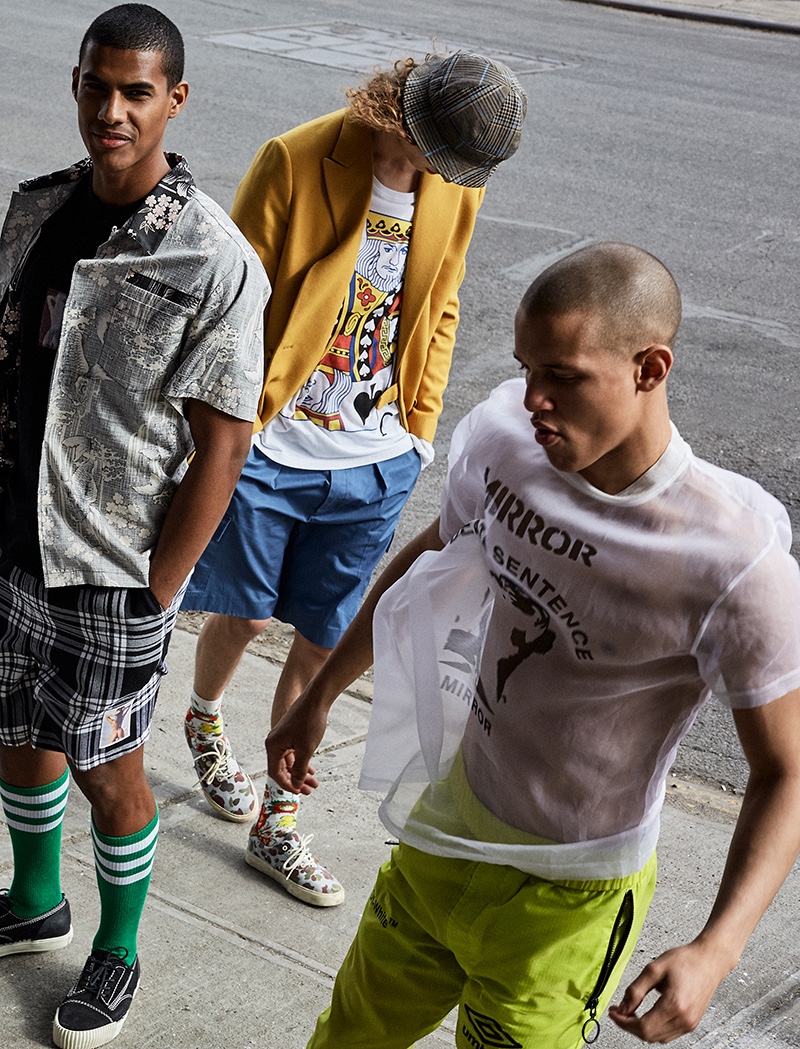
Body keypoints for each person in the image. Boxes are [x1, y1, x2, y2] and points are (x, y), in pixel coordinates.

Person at [266, 242, 800, 1048]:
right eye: (526, 370)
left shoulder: (731, 562)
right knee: (344, 1037)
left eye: (564, 376)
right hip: (446, 833)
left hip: (568, 899)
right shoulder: (505, 442)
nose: (534, 400)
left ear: (650, 368)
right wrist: (319, 695)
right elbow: (436, 553)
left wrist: (716, 949)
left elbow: (786, 770)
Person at [180, 51, 527, 906]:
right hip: (276, 439)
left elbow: (441, 304)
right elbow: (232, 298)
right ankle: (204, 715)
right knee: (250, 611)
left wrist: (418, 428)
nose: (451, 173)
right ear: (406, 117)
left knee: (325, 636)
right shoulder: (296, 159)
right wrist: (237, 427)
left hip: (374, 456)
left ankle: (279, 822)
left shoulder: (455, 187)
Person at [0, 6, 268, 1048]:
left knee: (111, 768)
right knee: (19, 735)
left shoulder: (210, 255)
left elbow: (225, 446)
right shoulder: (35, 209)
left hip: (109, 563)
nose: (110, 111)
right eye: (95, 86)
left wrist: (160, 588)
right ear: (76, 84)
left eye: (135, 92)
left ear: (174, 100)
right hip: (13, 541)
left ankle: (114, 948)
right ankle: (35, 900)